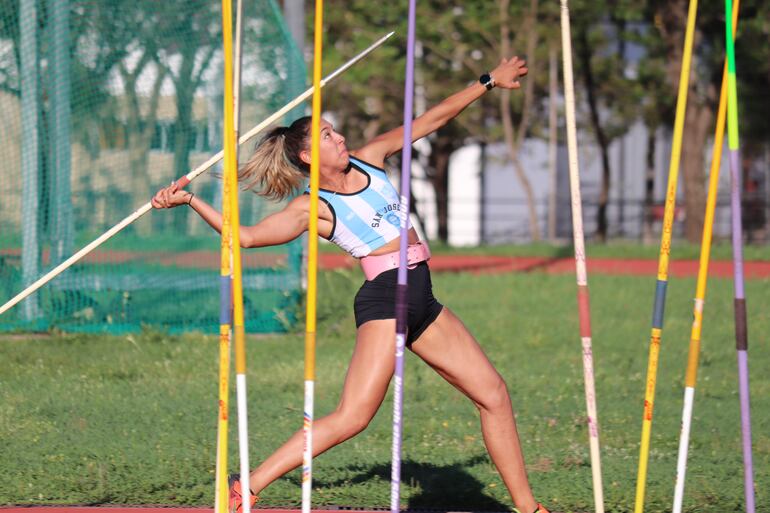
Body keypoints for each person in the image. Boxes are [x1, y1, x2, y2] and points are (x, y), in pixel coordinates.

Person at [152, 55, 549, 513]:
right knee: (353, 417)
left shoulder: (372, 158)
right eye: (326, 135)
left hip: (422, 297)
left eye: (334, 130)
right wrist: (190, 201)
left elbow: (432, 119)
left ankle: (529, 508)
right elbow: (245, 238)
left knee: (494, 394)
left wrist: (487, 82)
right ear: (307, 156)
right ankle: (247, 487)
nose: (339, 137)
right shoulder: (311, 206)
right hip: (387, 300)